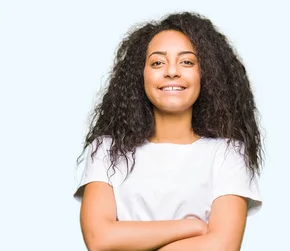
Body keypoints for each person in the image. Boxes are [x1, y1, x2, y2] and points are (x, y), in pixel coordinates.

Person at [73, 11, 263, 251]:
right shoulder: (107, 150)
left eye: (186, 62)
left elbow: (222, 245)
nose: (172, 71)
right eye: (157, 63)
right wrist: (192, 227)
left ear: (206, 74)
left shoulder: (227, 154)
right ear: (139, 76)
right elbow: (100, 239)